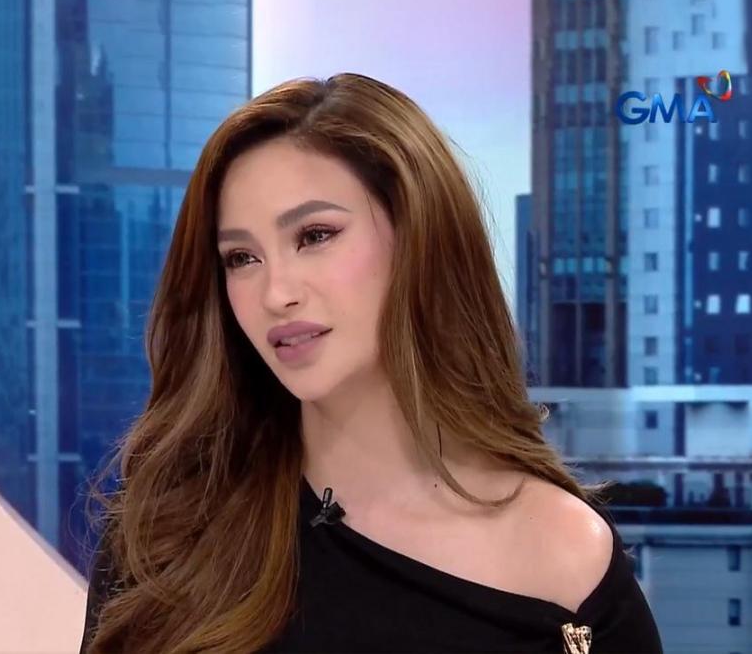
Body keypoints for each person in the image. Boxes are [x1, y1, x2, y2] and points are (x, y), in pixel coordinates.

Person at [79, 72, 663, 653]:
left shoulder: (565, 556)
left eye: (315, 235)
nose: (276, 293)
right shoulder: (171, 533)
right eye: (241, 257)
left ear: (420, 237)